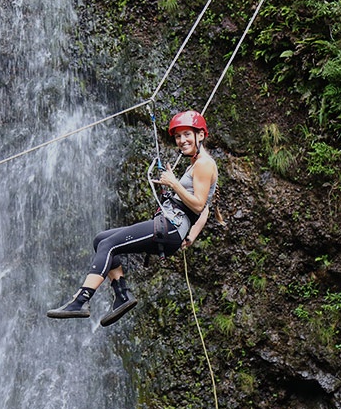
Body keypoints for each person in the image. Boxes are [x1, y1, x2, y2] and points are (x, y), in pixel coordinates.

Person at [47, 110, 219, 326]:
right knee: (101, 239)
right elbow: (205, 210)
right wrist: (190, 236)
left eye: (187, 134)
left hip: (171, 226)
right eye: (178, 136)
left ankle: (81, 300)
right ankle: (122, 296)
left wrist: (174, 184)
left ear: (200, 135)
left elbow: (199, 203)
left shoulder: (204, 163)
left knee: (109, 244)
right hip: (171, 226)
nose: (182, 140)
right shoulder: (197, 163)